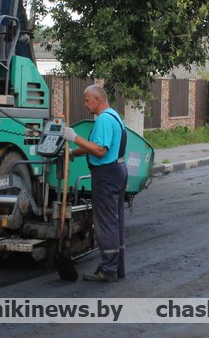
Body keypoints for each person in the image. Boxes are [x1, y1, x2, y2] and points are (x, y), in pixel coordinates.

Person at [61, 84, 128, 282]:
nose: (85, 104)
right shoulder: (113, 116)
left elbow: (100, 150)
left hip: (106, 175)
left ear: (98, 100)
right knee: (115, 221)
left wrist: (74, 137)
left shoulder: (105, 120)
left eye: (87, 100)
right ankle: (117, 268)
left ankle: (108, 269)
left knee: (105, 223)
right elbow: (94, 146)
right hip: (118, 170)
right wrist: (73, 152)